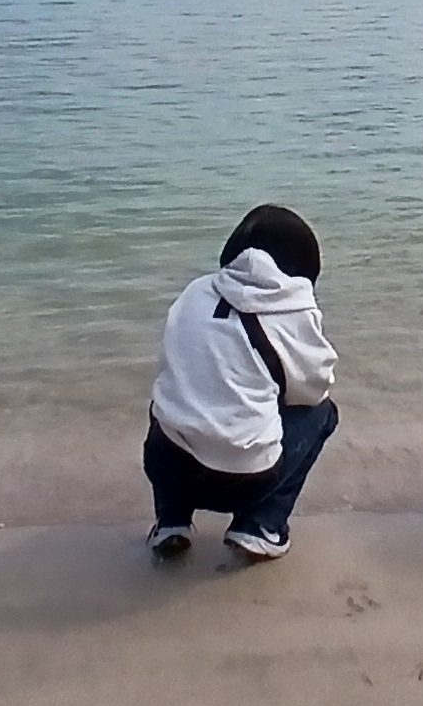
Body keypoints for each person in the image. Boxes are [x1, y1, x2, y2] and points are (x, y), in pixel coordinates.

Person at [144, 204, 339, 561]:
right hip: (246, 481)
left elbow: (172, 362)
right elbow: (313, 389)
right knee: (323, 414)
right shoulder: (294, 311)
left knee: (169, 399)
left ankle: (171, 521)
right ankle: (260, 525)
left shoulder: (193, 292)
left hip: (169, 466)